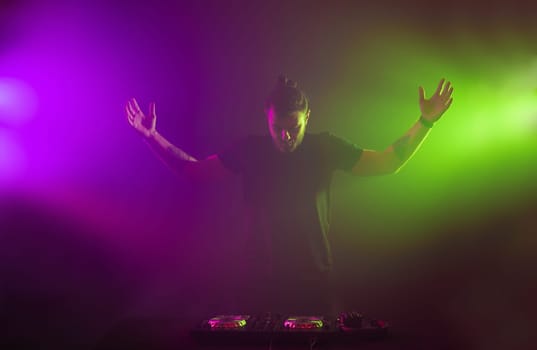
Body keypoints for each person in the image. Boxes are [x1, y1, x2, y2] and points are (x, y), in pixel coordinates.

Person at [125, 75, 453, 314]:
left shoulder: (325, 147)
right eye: (277, 128)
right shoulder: (250, 151)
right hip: (258, 284)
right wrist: (152, 137)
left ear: (307, 117)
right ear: (266, 120)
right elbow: (194, 171)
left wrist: (425, 122)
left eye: (293, 127)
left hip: (316, 284)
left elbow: (386, 163)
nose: (285, 136)